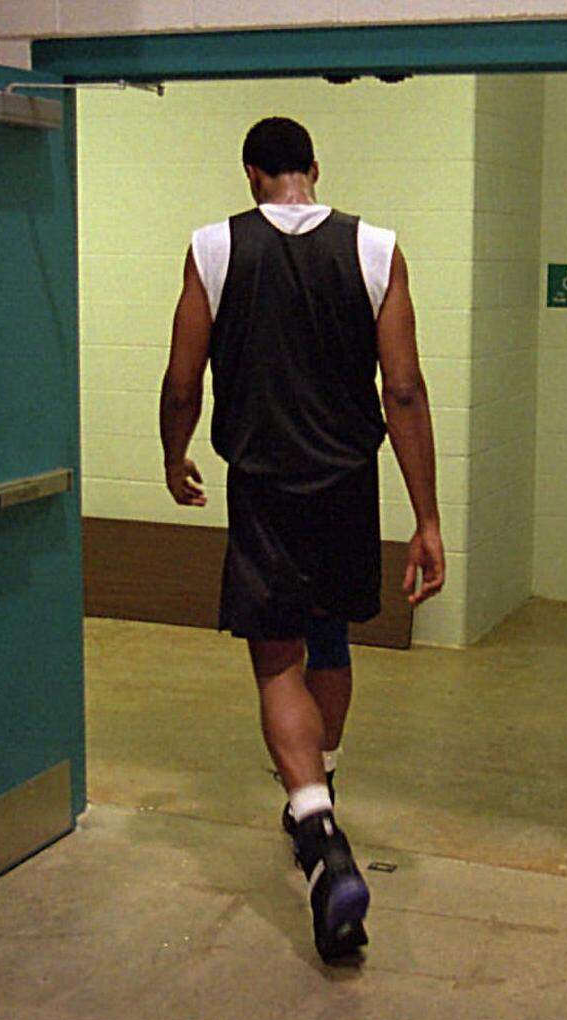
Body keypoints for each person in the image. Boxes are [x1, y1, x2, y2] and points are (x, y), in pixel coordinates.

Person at [159, 116, 444, 963]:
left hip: (264, 488)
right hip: (348, 486)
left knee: (277, 656)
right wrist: (426, 517)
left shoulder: (213, 248)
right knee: (328, 638)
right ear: (314, 169)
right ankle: (322, 781)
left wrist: (174, 457)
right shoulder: (377, 249)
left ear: (252, 174)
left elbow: (183, 380)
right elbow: (404, 390)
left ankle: (318, 831)